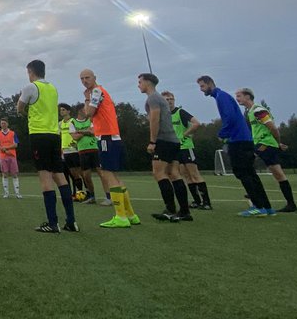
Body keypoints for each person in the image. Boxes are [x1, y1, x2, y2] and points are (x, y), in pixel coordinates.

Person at [197, 76, 274, 215]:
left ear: (209, 84)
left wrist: (222, 133)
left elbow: (230, 117)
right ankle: (266, 207)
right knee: (250, 174)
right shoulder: (221, 96)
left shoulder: (221, 96)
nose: (201, 90)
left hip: (238, 141)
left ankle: (258, 206)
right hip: (243, 140)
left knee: (244, 173)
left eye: (202, 86)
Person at [18, 61, 78, 234]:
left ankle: (52, 223)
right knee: (60, 176)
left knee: (45, 177)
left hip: (39, 135)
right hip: (54, 136)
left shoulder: (30, 87)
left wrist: (27, 113)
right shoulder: (53, 88)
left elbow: (19, 108)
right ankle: (71, 221)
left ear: (30, 71)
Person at [79, 69, 139, 228]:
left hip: (106, 137)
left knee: (107, 175)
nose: (84, 81)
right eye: (82, 78)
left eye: (87, 77)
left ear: (94, 78)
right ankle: (131, 215)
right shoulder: (101, 91)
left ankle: (121, 217)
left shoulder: (97, 91)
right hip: (111, 137)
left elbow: (88, 113)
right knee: (115, 177)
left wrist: (86, 99)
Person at [138, 74, 191, 223]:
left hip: (163, 140)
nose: (138, 85)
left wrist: (152, 141)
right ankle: (185, 211)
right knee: (174, 173)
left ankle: (170, 210)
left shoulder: (153, 98)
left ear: (148, 82)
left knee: (159, 173)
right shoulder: (160, 99)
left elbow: (155, 119)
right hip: (173, 140)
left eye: (140, 82)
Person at [235, 89, 297, 213]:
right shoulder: (249, 111)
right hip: (262, 144)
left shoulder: (258, 110)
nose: (237, 98)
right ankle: (291, 204)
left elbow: (273, 128)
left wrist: (277, 142)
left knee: (246, 166)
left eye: (239, 96)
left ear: (248, 96)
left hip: (264, 145)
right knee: (278, 174)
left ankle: (255, 197)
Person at [162, 91, 211, 210]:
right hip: (175, 149)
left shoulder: (180, 112)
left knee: (194, 174)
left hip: (186, 147)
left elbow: (196, 123)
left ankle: (206, 202)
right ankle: (196, 200)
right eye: (166, 99)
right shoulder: (164, 115)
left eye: (171, 99)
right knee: (185, 175)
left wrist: (184, 134)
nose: (169, 101)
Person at [69, 108, 98, 203]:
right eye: (85, 109)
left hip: (95, 149)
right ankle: (92, 196)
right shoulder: (72, 122)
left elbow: (93, 131)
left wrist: (80, 131)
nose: (87, 111)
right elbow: (75, 137)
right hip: (83, 151)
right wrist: (87, 131)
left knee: (102, 173)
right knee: (86, 176)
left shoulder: (91, 120)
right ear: (79, 111)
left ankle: (109, 196)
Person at [57, 105, 82, 198]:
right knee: (68, 173)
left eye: (63, 110)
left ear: (69, 111)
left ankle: (81, 192)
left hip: (75, 150)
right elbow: (59, 137)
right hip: (65, 151)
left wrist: (76, 143)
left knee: (78, 174)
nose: (61, 112)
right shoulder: (60, 124)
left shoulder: (73, 121)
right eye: (60, 110)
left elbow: (79, 133)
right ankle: (72, 194)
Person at [0, 117, 21, 199]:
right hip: (2, 157)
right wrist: (2, 149)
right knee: (5, 174)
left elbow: (16, 144)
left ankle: (17, 193)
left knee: (14, 174)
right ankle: (6, 193)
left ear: (7, 124)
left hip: (12, 156)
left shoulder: (13, 133)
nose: (3, 124)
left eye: (4, 123)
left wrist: (6, 148)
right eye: (1, 123)